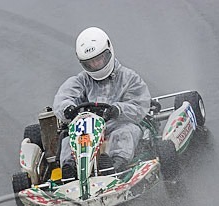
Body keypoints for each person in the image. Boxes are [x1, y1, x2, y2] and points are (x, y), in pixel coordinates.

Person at [52, 27, 151, 178]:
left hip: (117, 125)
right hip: (86, 130)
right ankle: (70, 169)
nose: (96, 64)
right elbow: (63, 98)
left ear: (108, 52)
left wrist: (118, 110)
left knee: (125, 132)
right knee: (68, 139)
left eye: (99, 59)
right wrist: (67, 109)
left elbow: (140, 105)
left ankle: (117, 164)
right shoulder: (80, 81)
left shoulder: (129, 78)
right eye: (90, 63)